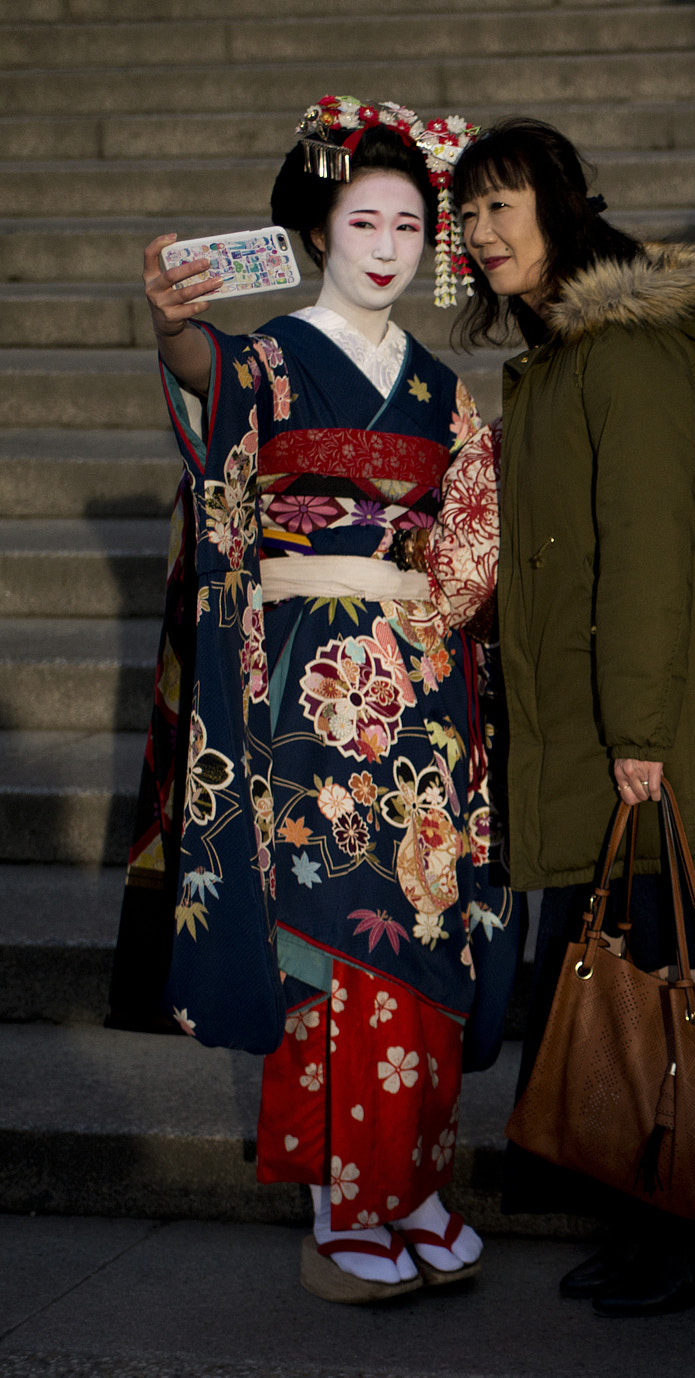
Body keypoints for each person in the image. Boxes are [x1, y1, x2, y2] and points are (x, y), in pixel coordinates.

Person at [126, 96, 517, 1304]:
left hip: (423, 682)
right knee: (334, 935)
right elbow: (212, 388)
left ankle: (418, 1187)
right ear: (318, 229)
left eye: (410, 222)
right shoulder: (272, 355)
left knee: (427, 928)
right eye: (366, 219)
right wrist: (176, 328)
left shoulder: (444, 388)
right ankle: (344, 1195)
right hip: (309, 681)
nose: (390, 243)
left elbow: (468, 543)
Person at [452, 117, 695, 1317]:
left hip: (647, 741)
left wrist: (639, 734)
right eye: (468, 214)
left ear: (563, 206)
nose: (481, 234)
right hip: (598, 729)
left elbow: (645, 553)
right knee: (637, 992)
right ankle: (663, 1221)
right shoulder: (558, 359)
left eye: (501, 206)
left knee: (676, 990)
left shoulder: (625, 353)